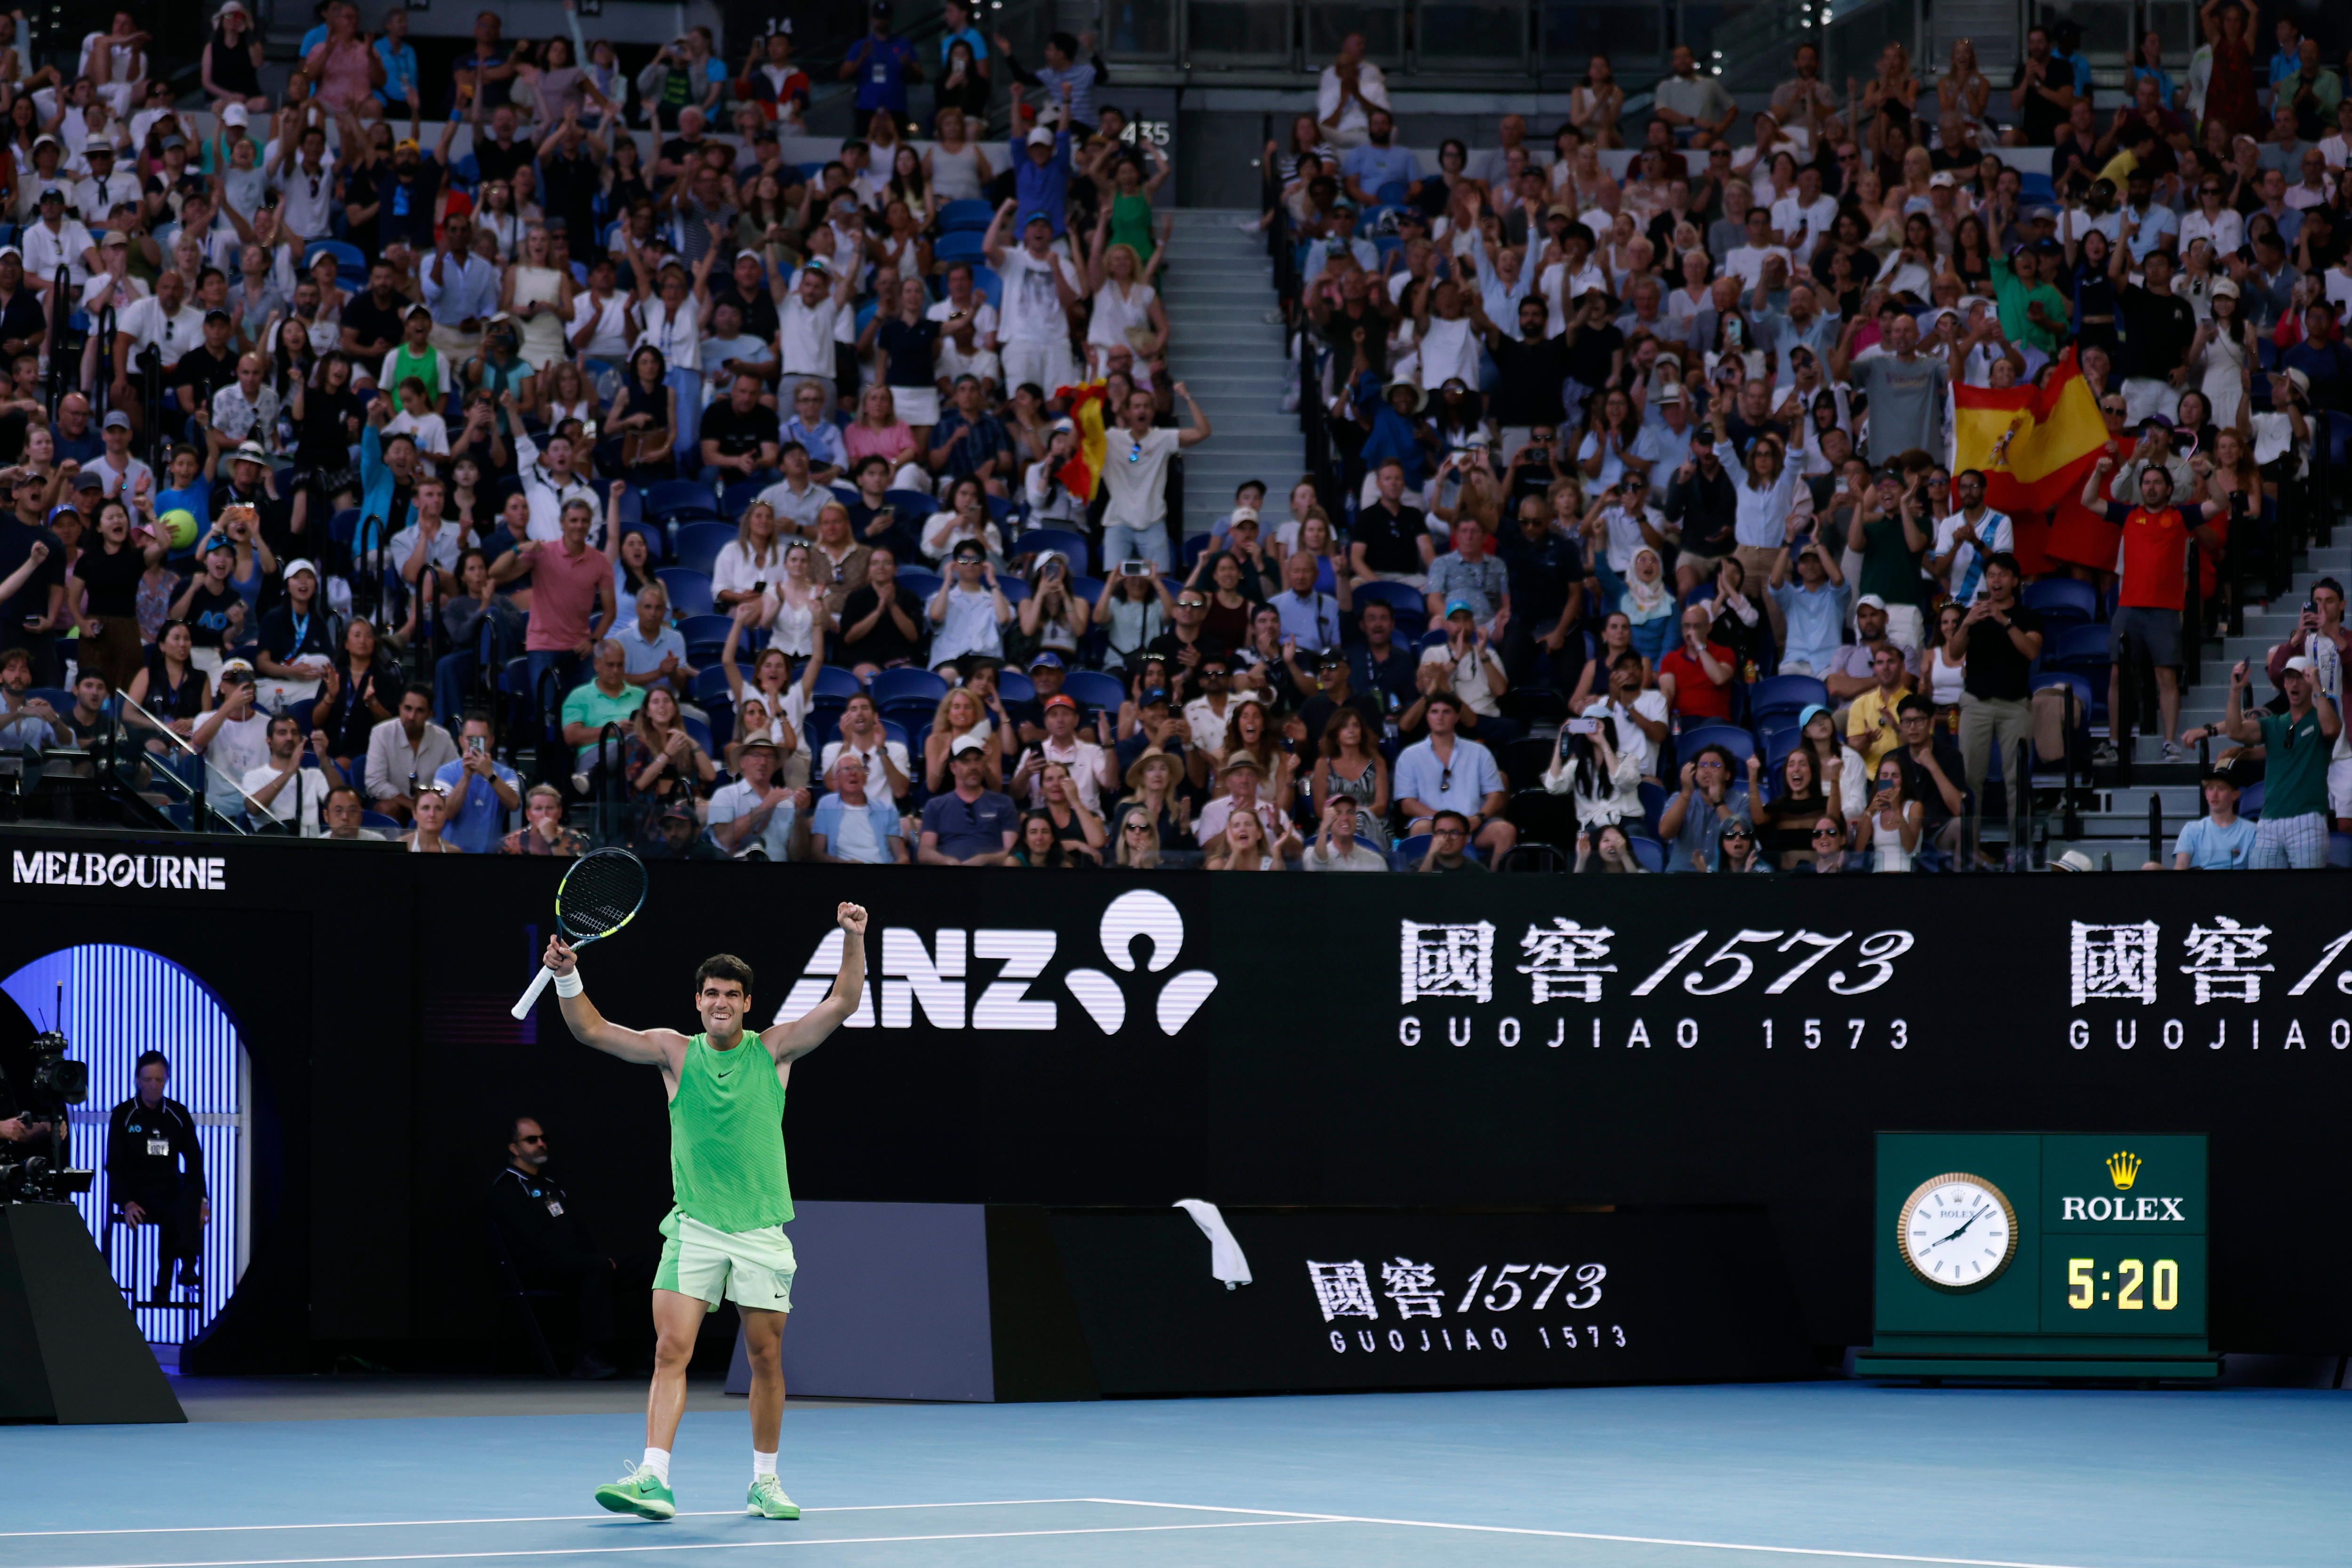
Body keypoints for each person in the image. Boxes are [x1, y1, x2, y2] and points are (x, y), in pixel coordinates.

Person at [553, 904, 867, 1524]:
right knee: (672, 1348)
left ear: (747, 1003)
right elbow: (593, 1030)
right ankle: (653, 1477)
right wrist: (568, 976)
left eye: (732, 994)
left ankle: (765, 1481)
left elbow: (843, 1004)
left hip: (759, 1232)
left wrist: (853, 938)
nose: (721, 1002)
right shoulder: (674, 1052)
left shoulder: (775, 1049)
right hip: (694, 1226)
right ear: (697, 1000)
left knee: (765, 1359)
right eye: (711, 993)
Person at [489, 1115, 619, 1379]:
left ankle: (651, 1353)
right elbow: (531, 1241)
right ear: (514, 1148)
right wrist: (589, 1261)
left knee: (641, 1267)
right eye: (531, 1140)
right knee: (596, 1270)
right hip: (536, 1268)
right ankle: (589, 1357)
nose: (540, 1144)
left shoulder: (551, 1187)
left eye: (543, 1139)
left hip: (571, 1262)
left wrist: (596, 1256)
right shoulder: (507, 1188)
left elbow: (577, 1231)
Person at [1949, 553, 2045, 850]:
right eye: (1991, 575)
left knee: (2016, 780)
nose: (1996, 581)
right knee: (1970, 779)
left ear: (2015, 581)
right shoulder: (1973, 614)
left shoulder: (2029, 616)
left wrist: (2004, 621)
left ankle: (2019, 850)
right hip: (1976, 703)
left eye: (2003, 575)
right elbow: (1953, 654)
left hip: (2014, 705)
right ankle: (1970, 850)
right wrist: (1966, 624)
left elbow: (2031, 651)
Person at [105, 1050, 208, 1305]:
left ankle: (181, 1272)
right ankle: (169, 1279)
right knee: (177, 1210)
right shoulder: (124, 1114)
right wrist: (127, 1202)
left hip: (170, 1188)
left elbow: (195, 1160)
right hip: (137, 1190)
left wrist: (203, 1201)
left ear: (167, 1080)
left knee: (186, 1199)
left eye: (159, 1080)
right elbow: (114, 1166)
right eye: (148, 1079)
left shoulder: (178, 1114)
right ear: (138, 1080)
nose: (153, 1085)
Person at [2220, 654, 2339, 868]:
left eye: (2300, 678)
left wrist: (2318, 689)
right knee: (2265, 894)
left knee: (2306, 893)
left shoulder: (2321, 717)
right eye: (2289, 678)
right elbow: (2234, 731)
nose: (2294, 683)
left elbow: (2332, 730)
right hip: (2269, 821)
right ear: (2284, 683)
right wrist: (2236, 690)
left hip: (2308, 820)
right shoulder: (2274, 723)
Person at [1392, 691, 1516, 860]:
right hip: (1432, 822)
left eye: (1446, 712)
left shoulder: (1479, 752)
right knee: (1420, 829)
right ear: (1427, 717)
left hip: (1473, 823)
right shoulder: (1409, 755)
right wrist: (1445, 822)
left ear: (1457, 717)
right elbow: (1407, 804)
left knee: (1505, 831)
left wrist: (1477, 819)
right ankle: (1423, 883)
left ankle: (1495, 885)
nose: (1440, 717)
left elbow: (1495, 796)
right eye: (1434, 712)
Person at [436, 712, 524, 854]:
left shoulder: (506, 774)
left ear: (491, 741)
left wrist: (490, 774)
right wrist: (466, 776)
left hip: (489, 857)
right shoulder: (445, 773)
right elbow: (448, 813)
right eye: (470, 739)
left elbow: (514, 804)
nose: (475, 745)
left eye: (481, 739)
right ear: (461, 740)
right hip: (452, 856)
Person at [2172, 769, 2258, 868]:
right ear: (2206, 794)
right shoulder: (2191, 829)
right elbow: (2181, 865)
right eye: (2211, 788)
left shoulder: (2251, 831)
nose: (2214, 795)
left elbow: (2255, 872)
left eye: (2221, 789)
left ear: (2235, 795)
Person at [1302, 793, 1386, 870]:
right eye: (1338, 813)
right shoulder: (1310, 853)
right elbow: (1319, 861)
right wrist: (1324, 828)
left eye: (1350, 812)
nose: (1345, 818)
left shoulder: (1376, 862)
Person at [503, 783, 591, 856]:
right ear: (528, 814)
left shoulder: (575, 839)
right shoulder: (508, 844)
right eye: (538, 809)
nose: (544, 814)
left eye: (550, 808)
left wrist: (552, 839)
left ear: (560, 812)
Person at [1415, 809, 1487, 872]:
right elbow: (1418, 887)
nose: (1447, 839)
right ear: (1433, 838)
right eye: (1441, 833)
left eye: (1454, 833)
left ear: (1466, 839)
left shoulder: (1478, 871)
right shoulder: (1418, 866)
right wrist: (1430, 856)